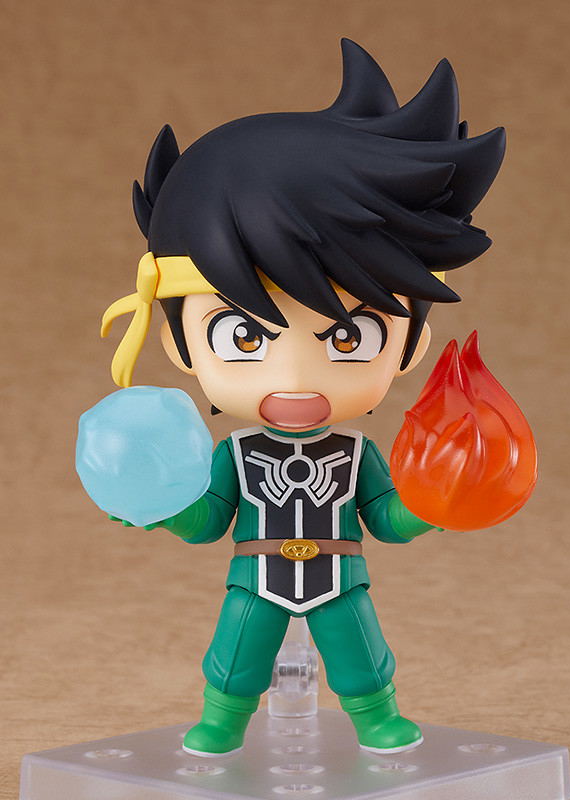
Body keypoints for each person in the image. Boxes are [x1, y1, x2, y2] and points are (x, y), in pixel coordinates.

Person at [100, 38, 505, 756]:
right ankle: (223, 719)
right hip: (254, 577)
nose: (295, 378)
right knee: (237, 652)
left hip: (340, 576)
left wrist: (437, 503)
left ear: (410, 345)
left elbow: (386, 519)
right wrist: (158, 503)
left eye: (349, 337)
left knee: (358, 651)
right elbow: (208, 521)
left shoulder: (355, 453)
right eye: (244, 337)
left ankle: (375, 717)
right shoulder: (237, 453)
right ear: (180, 345)